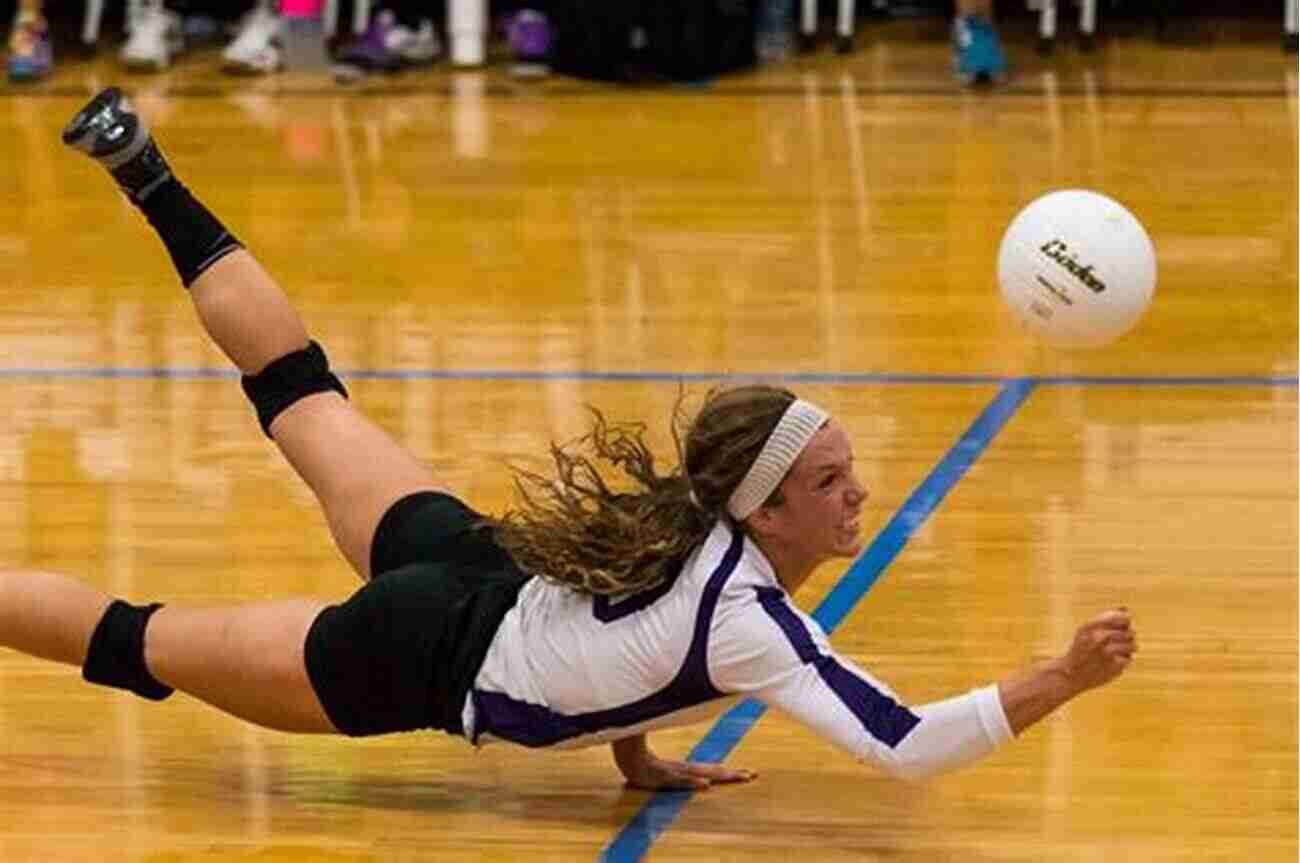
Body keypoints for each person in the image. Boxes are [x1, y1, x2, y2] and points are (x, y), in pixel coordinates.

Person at [12, 86, 1139, 791]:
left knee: (297, 386)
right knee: (131, 639)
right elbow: (908, 745)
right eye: (831, 479)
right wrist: (1066, 674)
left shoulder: (688, 535)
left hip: (474, 561)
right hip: (410, 651)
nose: (860, 495)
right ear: (764, 510)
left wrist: (637, 747)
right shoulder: (752, 623)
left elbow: (627, 653)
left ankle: (143, 169)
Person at [952, 0, 1008, 85]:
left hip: (986, 22)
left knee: (985, 19)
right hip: (966, 26)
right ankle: (964, 57)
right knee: (966, 18)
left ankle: (989, 57)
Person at [6, 0, 52, 82]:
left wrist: (34, 28)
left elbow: (43, 31)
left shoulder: (39, 17)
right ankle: (20, 69)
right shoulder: (19, 16)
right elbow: (16, 32)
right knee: (20, 53)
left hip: (35, 46)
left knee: (33, 52)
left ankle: (35, 69)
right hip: (22, 44)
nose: (27, 3)